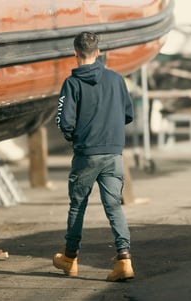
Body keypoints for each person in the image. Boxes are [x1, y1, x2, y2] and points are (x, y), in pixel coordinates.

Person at [53, 31, 135, 282]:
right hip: (113, 153)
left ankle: (70, 258)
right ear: (98, 52)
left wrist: (74, 138)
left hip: (86, 154)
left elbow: (63, 121)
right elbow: (128, 114)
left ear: (75, 53)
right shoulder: (116, 79)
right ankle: (124, 261)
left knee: (78, 206)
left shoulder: (71, 83)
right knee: (114, 207)